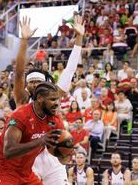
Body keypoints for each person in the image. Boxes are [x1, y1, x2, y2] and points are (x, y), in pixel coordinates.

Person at [13, 15, 85, 185]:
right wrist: (24, 41)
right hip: (28, 158)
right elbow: (18, 73)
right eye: (31, 82)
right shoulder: (22, 100)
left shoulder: (54, 95)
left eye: (38, 82)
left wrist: (79, 38)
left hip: (52, 155)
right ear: (26, 86)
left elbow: (70, 69)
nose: (34, 85)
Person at [0, 82, 71, 185]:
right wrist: (40, 141)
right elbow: (8, 151)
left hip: (25, 171)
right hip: (2, 167)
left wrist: (65, 154)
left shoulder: (55, 119)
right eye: (52, 99)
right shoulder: (20, 115)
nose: (57, 103)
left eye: (57, 99)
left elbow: (62, 152)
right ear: (39, 98)